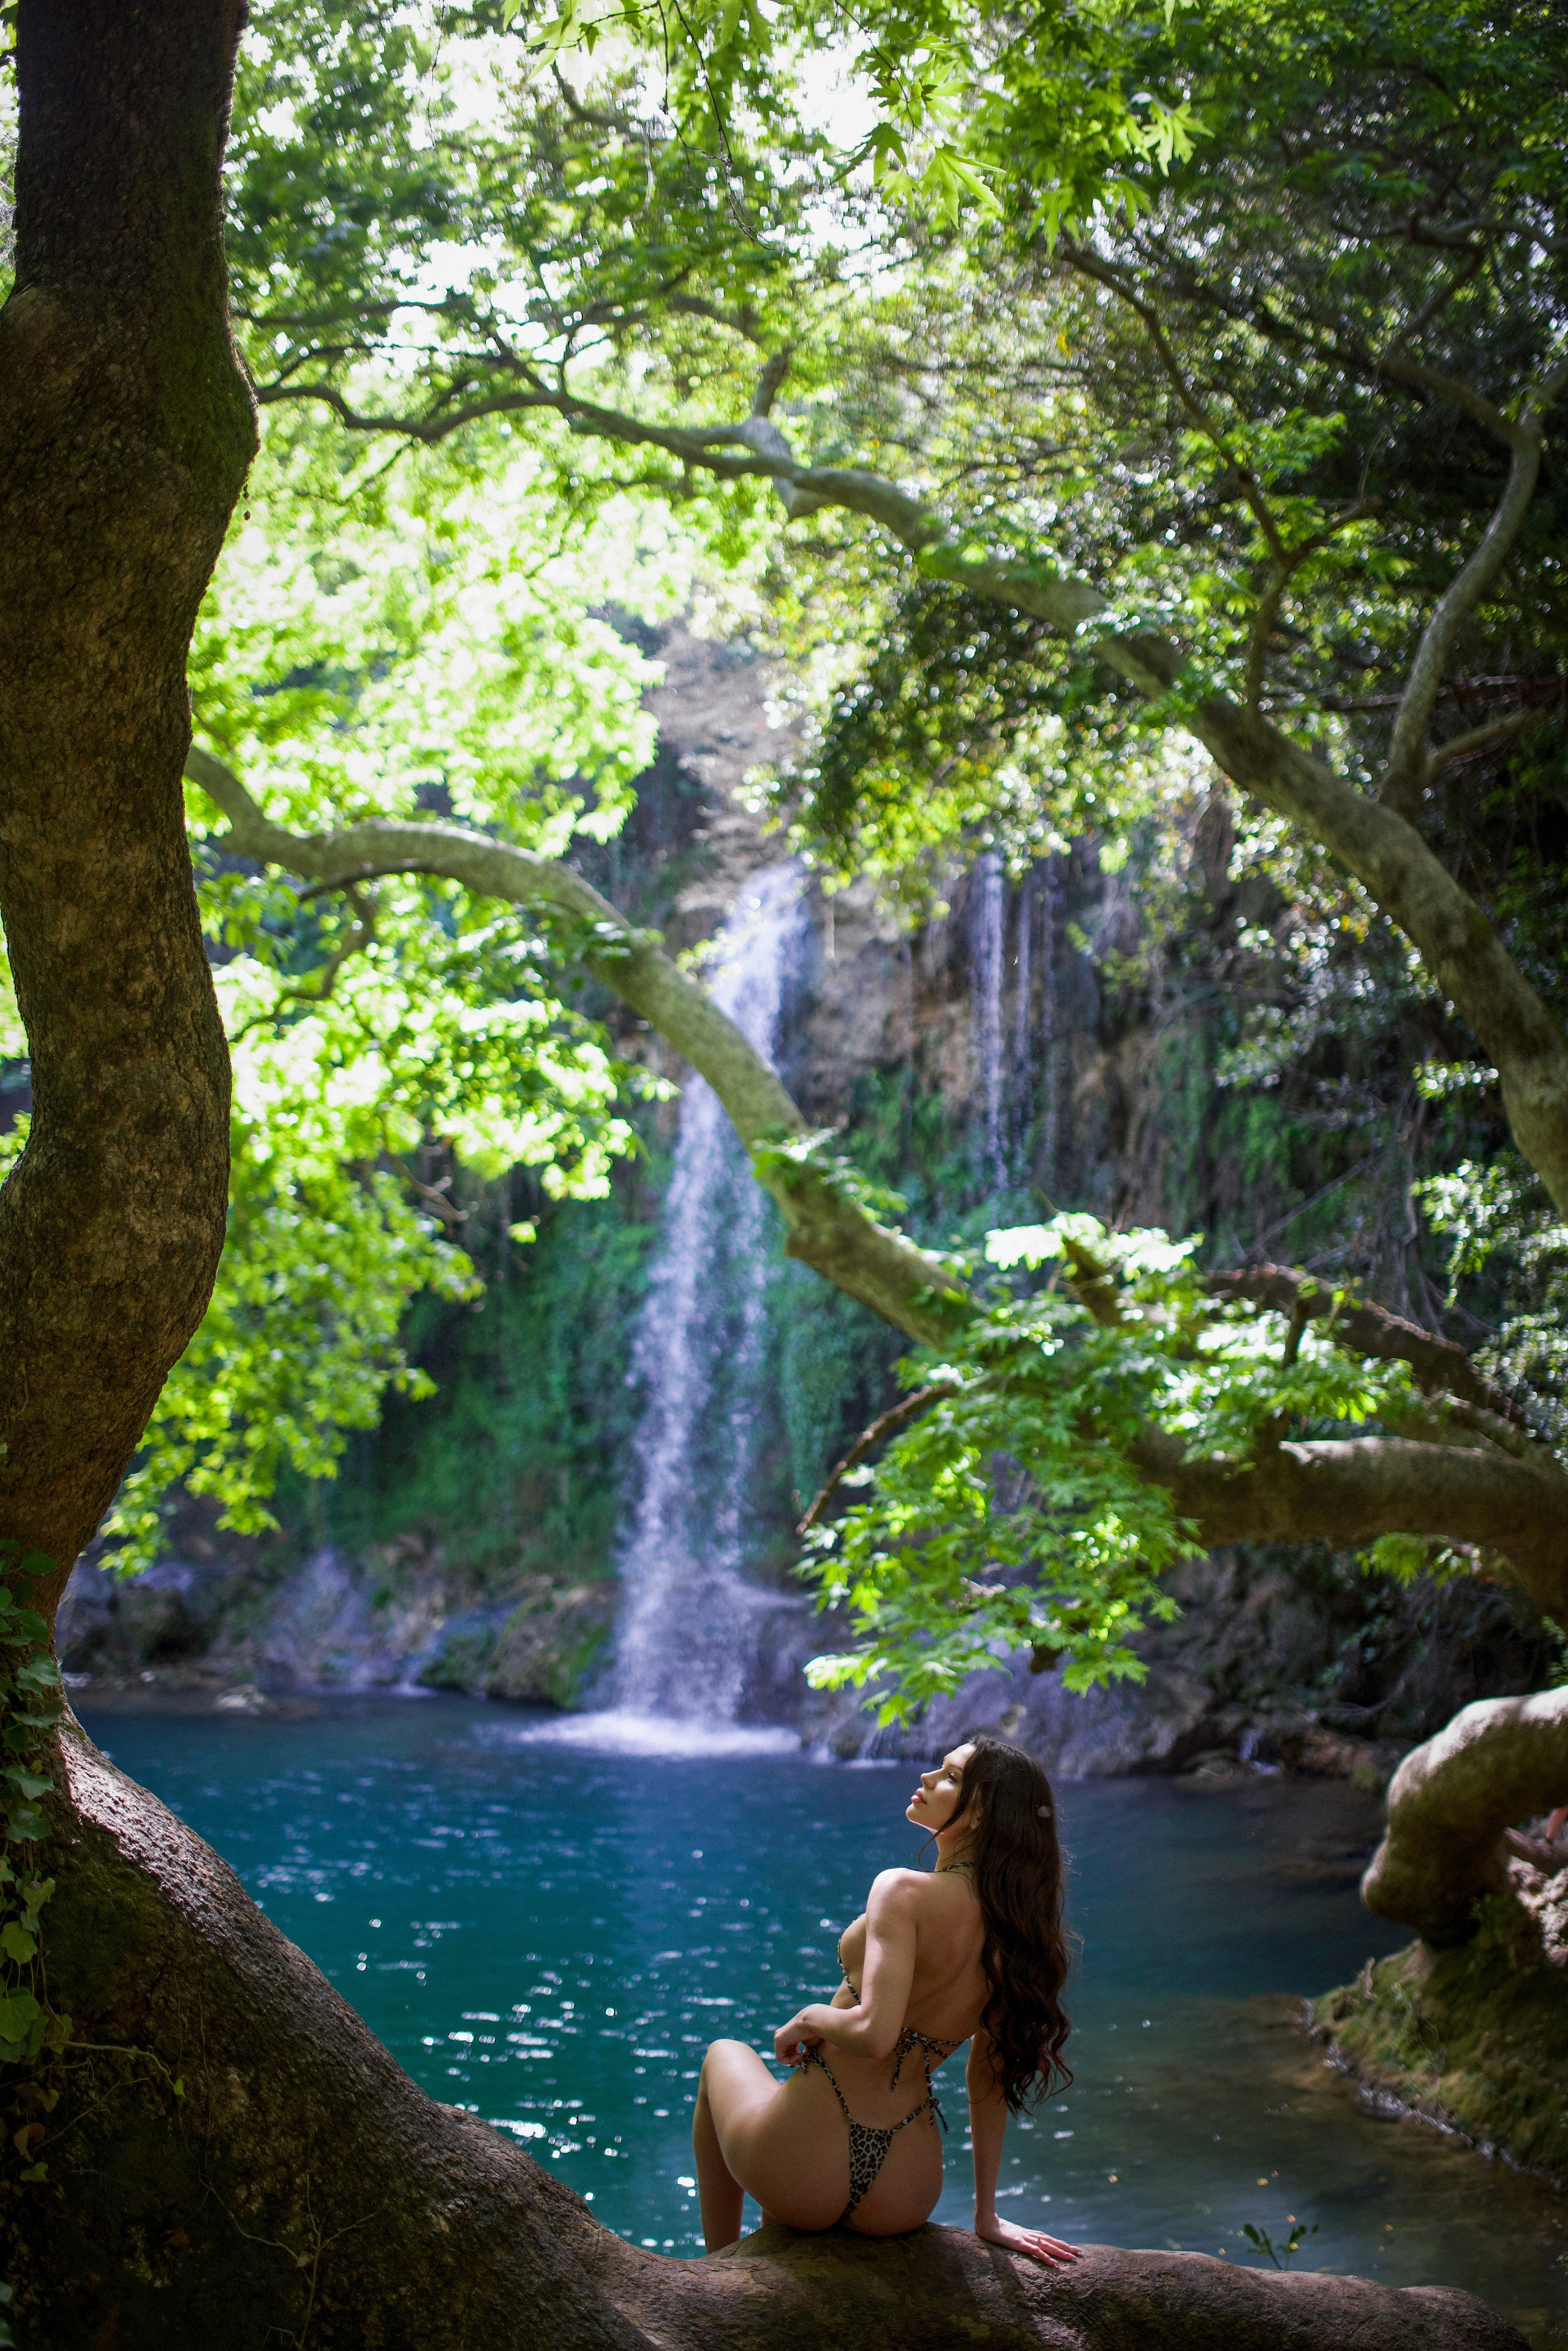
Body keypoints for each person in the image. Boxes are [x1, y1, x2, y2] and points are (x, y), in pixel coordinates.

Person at [692, 1734, 1080, 2265]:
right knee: (786, 2217)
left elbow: (875, 2035)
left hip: (805, 2159)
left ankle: (717, 2271)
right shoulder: (1015, 1932)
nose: (926, 1779)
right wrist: (986, 2215)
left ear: (980, 1816)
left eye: (949, 1777)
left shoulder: (903, 1890)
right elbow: (987, 2076)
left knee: (722, 2055)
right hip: (904, 2188)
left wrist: (809, 2017)